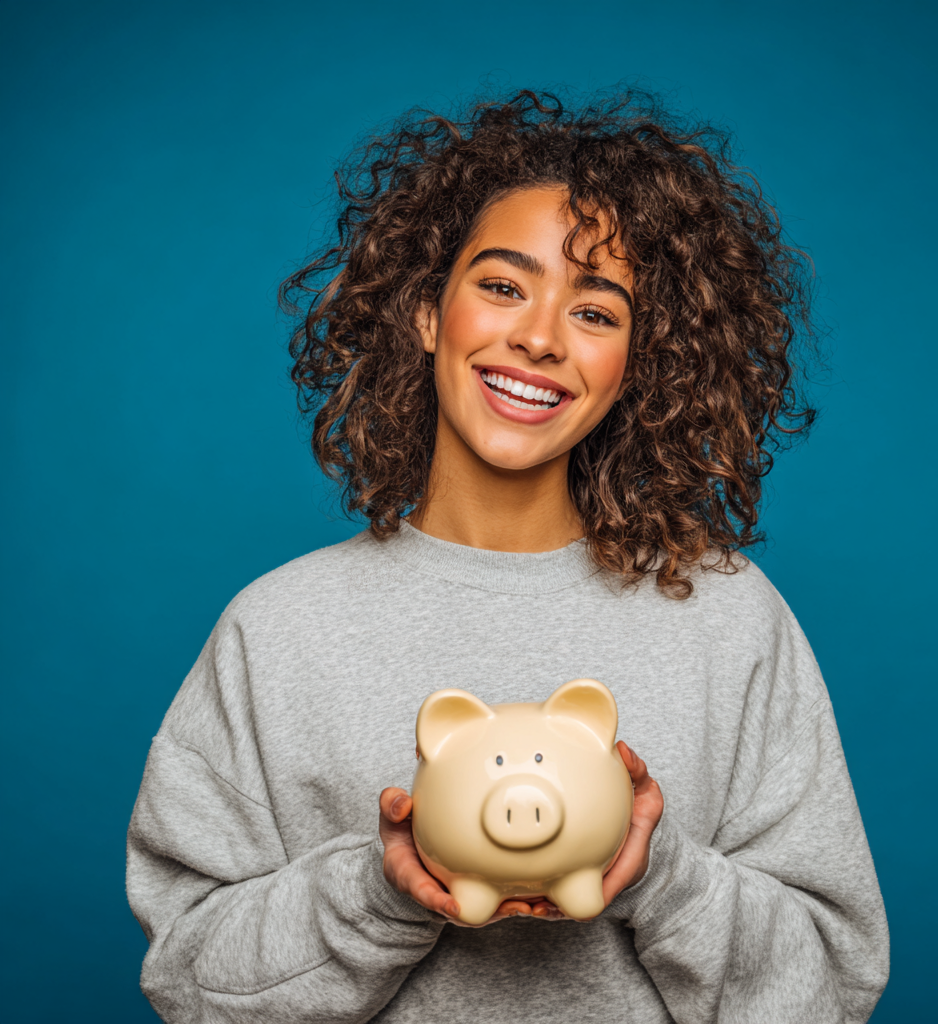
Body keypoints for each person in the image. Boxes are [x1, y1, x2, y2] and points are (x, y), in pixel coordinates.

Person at [127, 90, 889, 1023]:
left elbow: (833, 985)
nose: (538, 336)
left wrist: (662, 872)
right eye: (501, 285)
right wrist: (380, 886)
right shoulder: (279, 628)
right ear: (425, 313)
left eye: (597, 312)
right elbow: (189, 981)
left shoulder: (729, 619)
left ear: (638, 364)